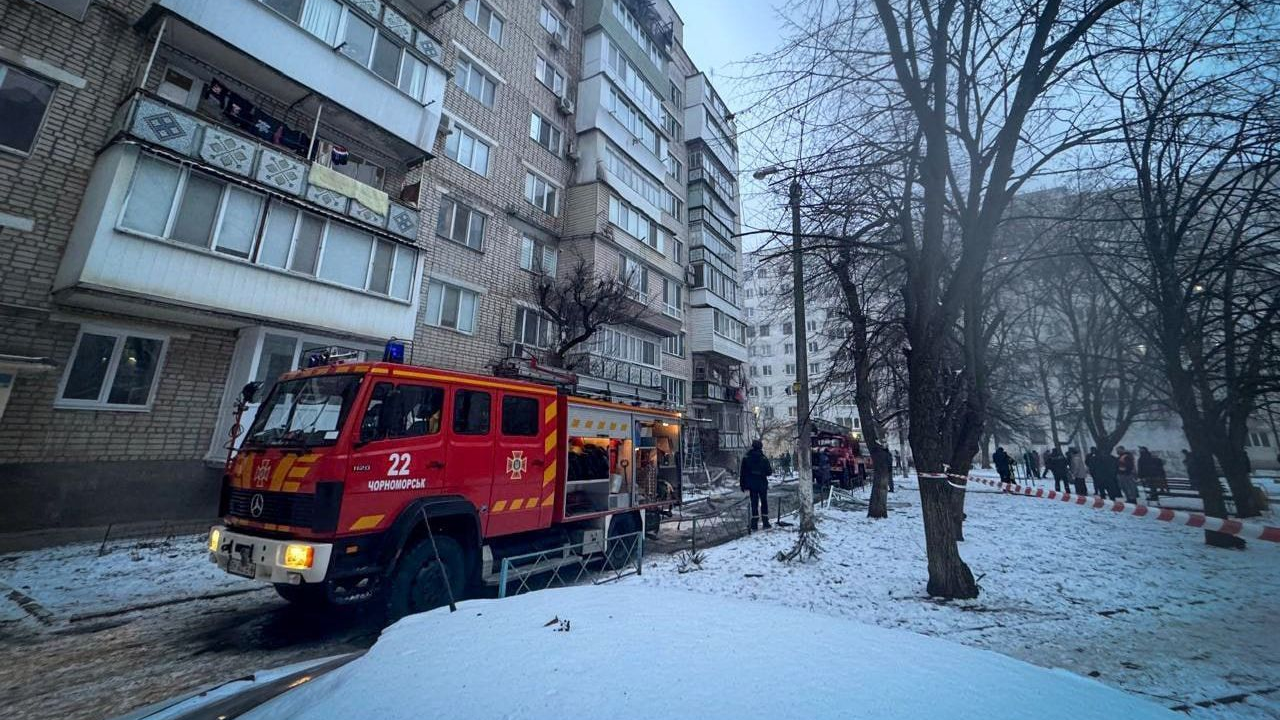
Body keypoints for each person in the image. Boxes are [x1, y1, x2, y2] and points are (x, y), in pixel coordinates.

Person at [739, 440, 773, 531]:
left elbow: (742, 473)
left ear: (752, 446)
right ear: (760, 447)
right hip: (762, 484)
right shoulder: (764, 458)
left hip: (752, 484)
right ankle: (765, 522)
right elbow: (769, 472)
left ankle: (754, 523)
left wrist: (742, 485)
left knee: (754, 503)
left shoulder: (746, 457)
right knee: (764, 502)